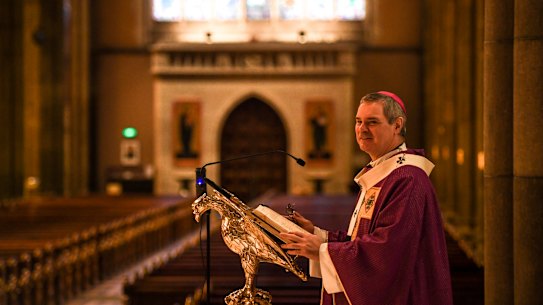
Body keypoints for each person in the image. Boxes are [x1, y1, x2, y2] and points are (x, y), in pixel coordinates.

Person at [280, 91, 453, 305]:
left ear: (397, 126)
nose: (362, 130)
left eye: (372, 122)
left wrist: (322, 251)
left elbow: (387, 252)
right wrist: (318, 235)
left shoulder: (408, 179)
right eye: (358, 121)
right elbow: (360, 239)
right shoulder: (382, 174)